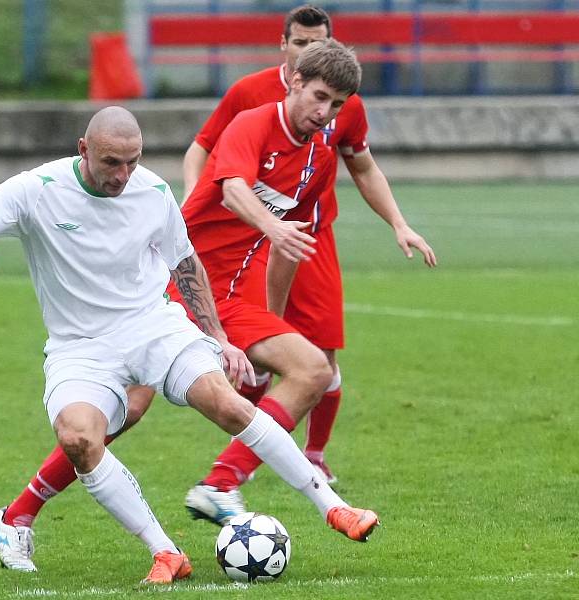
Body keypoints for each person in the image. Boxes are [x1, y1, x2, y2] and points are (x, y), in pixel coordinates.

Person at [0, 105, 376, 582]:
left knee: (224, 402)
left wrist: (219, 339)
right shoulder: (35, 189)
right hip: (79, 346)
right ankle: (166, 552)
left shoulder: (153, 191)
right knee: (79, 438)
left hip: (152, 327)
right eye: (110, 163)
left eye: (132, 161)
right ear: (84, 150)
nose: (123, 175)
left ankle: (335, 508)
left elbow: (186, 266)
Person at [183, 5, 437, 486]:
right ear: (288, 56)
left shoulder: (332, 128)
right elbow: (212, 159)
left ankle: (291, 460)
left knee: (318, 361)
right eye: (299, 44)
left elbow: (362, 168)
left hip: (304, 240)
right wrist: (194, 207)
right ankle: (239, 462)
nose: (327, 111)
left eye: (317, 41)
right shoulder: (250, 100)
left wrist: (398, 223)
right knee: (145, 393)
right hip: (237, 245)